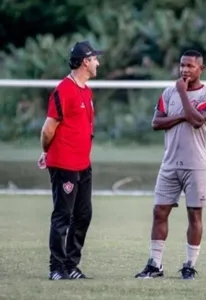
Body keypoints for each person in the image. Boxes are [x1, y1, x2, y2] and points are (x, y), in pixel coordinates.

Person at [135, 50, 206, 280]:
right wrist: (181, 112)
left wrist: (183, 94)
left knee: (194, 215)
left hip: (195, 165)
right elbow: (156, 122)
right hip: (169, 164)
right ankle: (155, 265)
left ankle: (189, 265)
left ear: (201, 69)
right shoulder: (167, 92)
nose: (185, 70)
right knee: (159, 211)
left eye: (190, 66)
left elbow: (196, 121)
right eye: (182, 65)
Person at [37, 40, 103, 280]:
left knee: (83, 215)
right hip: (64, 164)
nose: (98, 63)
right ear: (86, 62)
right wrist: (46, 151)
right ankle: (56, 268)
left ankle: (71, 265)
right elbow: (47, 130)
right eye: (95, 58)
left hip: (83, 164)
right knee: (63, 216)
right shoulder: (63, 90)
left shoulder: (87, 90)